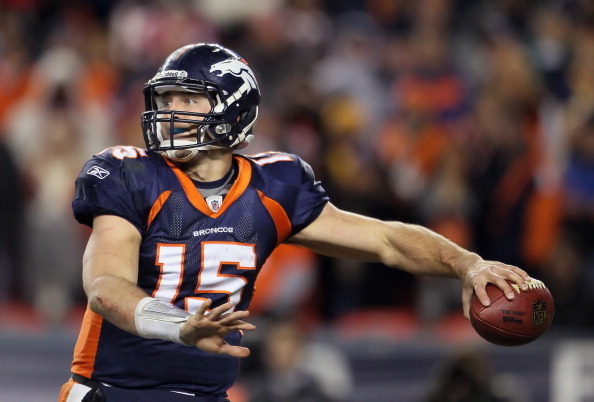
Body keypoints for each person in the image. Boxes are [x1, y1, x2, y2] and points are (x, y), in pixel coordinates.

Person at [59, 43, 532, 402]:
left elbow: (386, 239)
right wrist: (179, 327)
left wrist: (466, 264)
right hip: (111, 390)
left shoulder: (275, 186)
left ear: (232, 110)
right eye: (167, 98)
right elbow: (104, 285)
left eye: (188, 100)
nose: (171, 112)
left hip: (205, 394)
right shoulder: (129, 173)